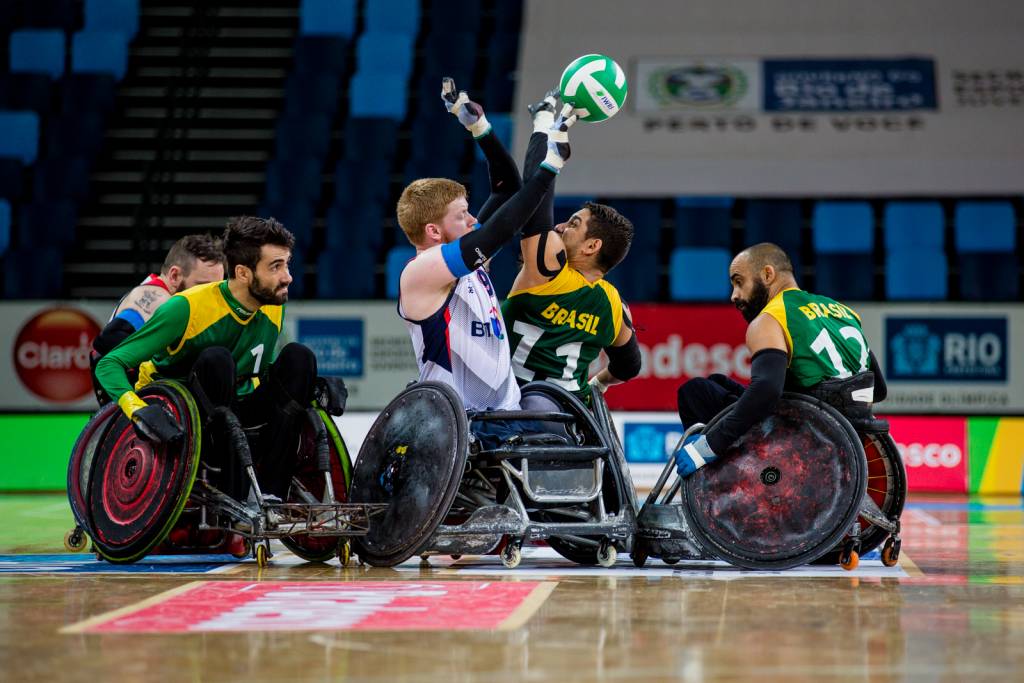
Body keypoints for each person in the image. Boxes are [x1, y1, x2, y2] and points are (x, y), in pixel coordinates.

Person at [94, 216, 347, 505]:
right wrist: (138, 409)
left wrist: (311, 385)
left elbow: (260, 371)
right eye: (275, 267)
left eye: (286, 265)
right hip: (185, 415)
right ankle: (235, 493)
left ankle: (272, 494)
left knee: (300, 358)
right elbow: (108, 364)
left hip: (238, 405)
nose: (287, 277)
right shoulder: (185, 308)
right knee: (218, 360)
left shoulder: (272, 305)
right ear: (243, 273)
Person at [395, 78, 577, 440]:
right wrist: (550, 167)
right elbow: (500, 230)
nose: (473, 219)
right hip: (461, 428)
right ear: (433, 231)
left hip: (505, 420)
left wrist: (480, 129)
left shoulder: (463, 257)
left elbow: (508, 188)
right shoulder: (421, 272)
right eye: (462, 215)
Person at [674, 242, 888, 477]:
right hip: (847, 435)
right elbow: (878, 390)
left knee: (695, 392)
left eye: (739, 282)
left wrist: (708, 447)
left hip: (799, 438)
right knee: (717, 382)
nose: (734, 295)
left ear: (768, 274)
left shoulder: (771, 318)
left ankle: (713, 481)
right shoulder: (844, 312)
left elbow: (766, 392)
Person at [501, 89, 642, 404]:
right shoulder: (614, 306)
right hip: (568, 419)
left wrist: (543, 123)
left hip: (507, 411)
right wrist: (598, 384)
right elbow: (629, 366)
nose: (561, 226)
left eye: (574, 224)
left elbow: (535, 198)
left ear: (592, 246)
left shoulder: (548, 272)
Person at [91, 233, 226, 405]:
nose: (210, 297)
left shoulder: (158, 290)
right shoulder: (157, 298)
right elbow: (105, 343)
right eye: (202, 286)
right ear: (174, 276)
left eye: (216, 288)